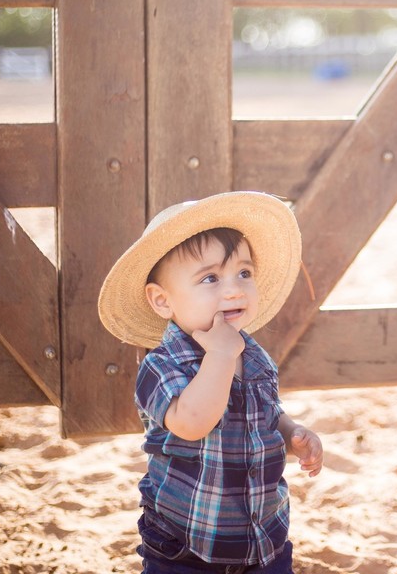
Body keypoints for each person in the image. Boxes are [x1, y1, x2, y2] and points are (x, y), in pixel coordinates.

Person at [98, 191, 324, 573]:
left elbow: (265, 413)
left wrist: (292, 431)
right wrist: (220, 356)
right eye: (210, 278)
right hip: (186, 547)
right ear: (163, 301)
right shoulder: (162, 365)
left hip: (262, 537)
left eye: (244, 273)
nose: (234, 288)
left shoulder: (253, 356)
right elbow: (192, 422)